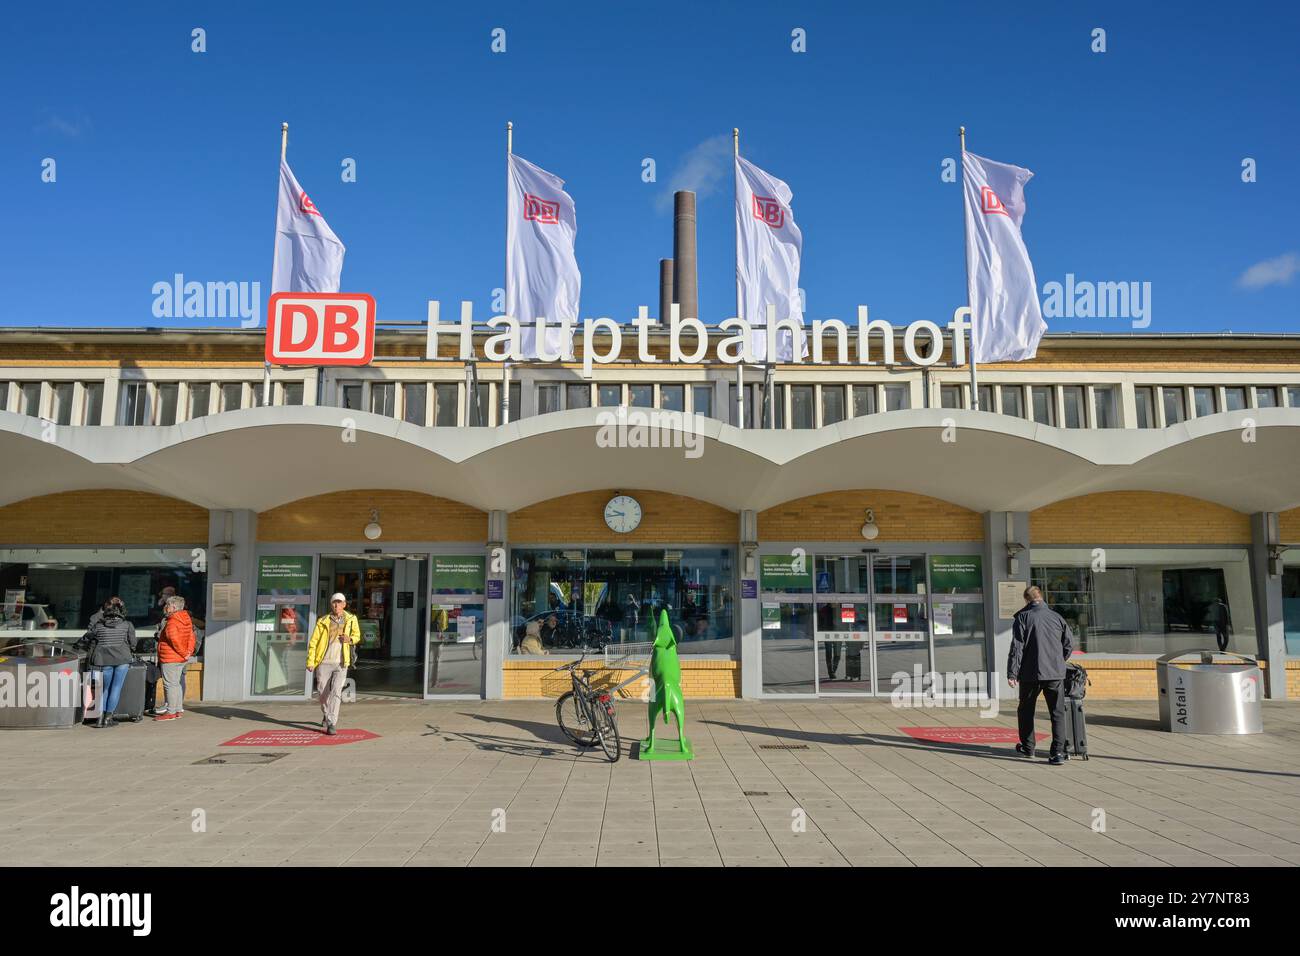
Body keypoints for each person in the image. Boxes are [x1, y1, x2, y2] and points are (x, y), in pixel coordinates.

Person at [1008, 585, 1074, 765]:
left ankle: (1029, 748)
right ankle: (1057, 753)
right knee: (1057, 713)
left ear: (1027, 600)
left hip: (1031, 674)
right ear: (1041, 598)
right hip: (1055, 674)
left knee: (1026, 711)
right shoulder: (1057, 617)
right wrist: (1058, 661)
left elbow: (1017, 648)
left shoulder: (1023, 617)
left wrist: (1012, 673)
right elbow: (1069, 644)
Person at [306, 593, 360, 736]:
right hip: (324, 662)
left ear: (344, 604)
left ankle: (331, 722)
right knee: (322, 692)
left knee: (336, 692)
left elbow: (357, 636)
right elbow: (313, 642)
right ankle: (326, 712)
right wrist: (311, 661)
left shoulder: (351, 619)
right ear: (331, 604)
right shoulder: (323, 621)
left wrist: (350, 639)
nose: (336, 605)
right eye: (334, 603)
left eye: (339, 602)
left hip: (342, 663)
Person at [82, 597, 136, 729]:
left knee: (105, 688)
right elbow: (133, 643)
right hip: (122, 659)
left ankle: (99, 718)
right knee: (116, 688)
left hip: (105, 660)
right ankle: (108, 718)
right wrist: (131, 650)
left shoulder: (99, 625)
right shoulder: (127, 625)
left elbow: (87, 637)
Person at [153, 595, 195, 721]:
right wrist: (188, 652)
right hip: (181, 658)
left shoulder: (172, 621)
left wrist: (183, 652)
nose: (165, 607)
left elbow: (174, 640)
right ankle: (177, 709)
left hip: (170, 658)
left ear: (173, 607)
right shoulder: (186, 619)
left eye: (167, 605)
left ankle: (171, 711)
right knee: (176, 684)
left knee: (170, 685)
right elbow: (191, 637)